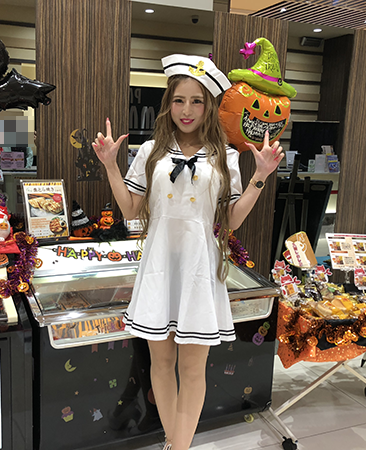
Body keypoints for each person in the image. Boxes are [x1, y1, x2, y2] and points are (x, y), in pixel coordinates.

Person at [93, 54, 283, 450]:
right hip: (159, 268)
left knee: (193, 369)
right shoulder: (151, 151)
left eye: (197, 101)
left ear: (209, 106)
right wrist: (110, 165)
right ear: (169, 103)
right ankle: (172, 441)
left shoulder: (224, 156)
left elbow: (231, 219)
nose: (187, 110)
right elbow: (130, 209)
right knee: (161, 365)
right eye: (179, 100)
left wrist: (260, 177)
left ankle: (179, 446)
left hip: (199, 269)